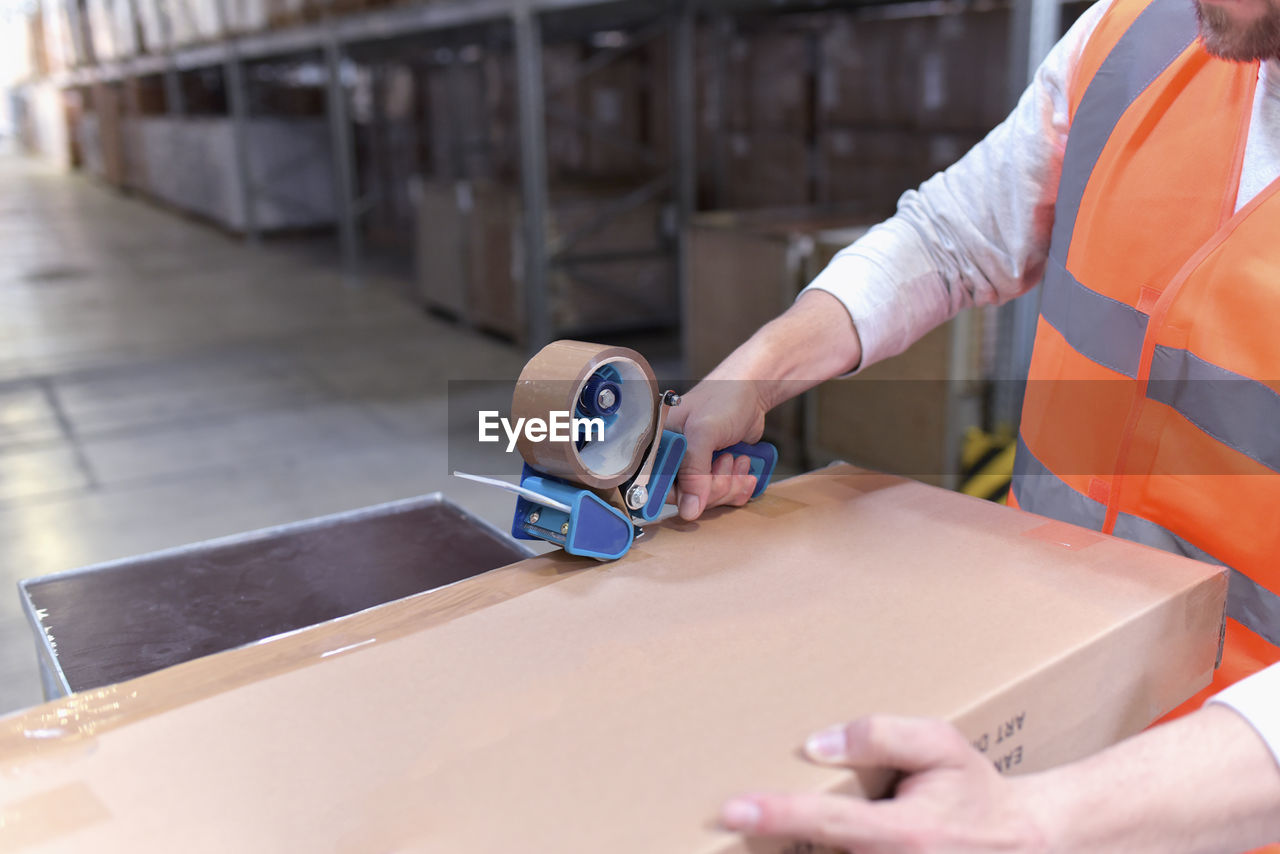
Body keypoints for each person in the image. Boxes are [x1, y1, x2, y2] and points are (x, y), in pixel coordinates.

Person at [667, 0, 1280, 848]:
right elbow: (952, 236)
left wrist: (1042, 821)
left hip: (1221, 802)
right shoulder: (1134, 34)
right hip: (1039, 700)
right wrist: (757, 371)